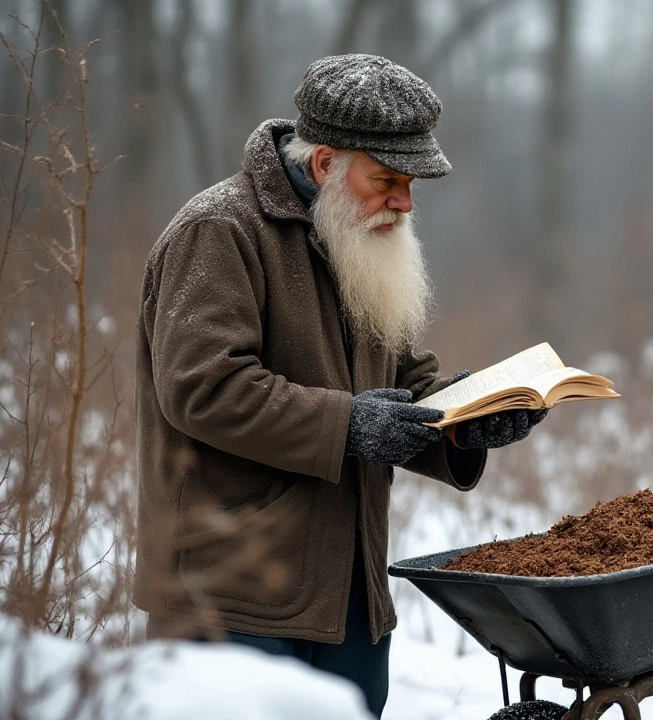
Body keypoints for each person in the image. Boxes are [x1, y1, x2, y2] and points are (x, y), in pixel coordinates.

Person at [133, 54, 546, 717]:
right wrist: (347, 425)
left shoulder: (359, 230)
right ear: (325, 164)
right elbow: (202, 388)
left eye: (411, 184)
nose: (405, 202)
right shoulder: (218, 231)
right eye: (387, 180)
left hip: (350, 596)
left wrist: (470, 417)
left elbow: (402, 384)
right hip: (233, 601)